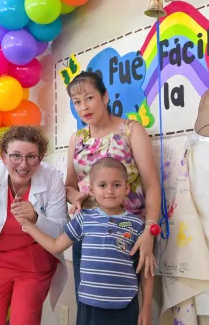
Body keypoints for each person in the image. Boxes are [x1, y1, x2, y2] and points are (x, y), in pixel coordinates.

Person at [20, 158, 153, 325]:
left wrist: (147, 306)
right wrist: (28, 225)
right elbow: (55, 246)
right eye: (102, 185)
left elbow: (146, 268)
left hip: (125, 306)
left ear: (126, 188)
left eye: (116, 185)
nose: (110, 191)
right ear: (92, 190)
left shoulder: (137, 225)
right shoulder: (84, 219)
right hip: (89, 305)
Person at [0, 126, 68, 325]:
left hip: (34, 264)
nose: (23, 165)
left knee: (24, 321)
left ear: (40, 158)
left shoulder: (51, 177)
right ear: (3, 156)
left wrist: (36, 218)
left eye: (31, 157)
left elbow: (60, 230)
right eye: (16, 156)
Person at [64, 71, 161, 292]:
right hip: (88, 234)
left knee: (124, 301)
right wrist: (76, 196)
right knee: (87, 301)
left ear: (105, 97)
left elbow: (152, 185)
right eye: (77, 102)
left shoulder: (131, 130)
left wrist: (149, 230)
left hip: (126, 233)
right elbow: (69, 186)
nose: (84, 107)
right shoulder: (77, 139)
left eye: (89, 98)